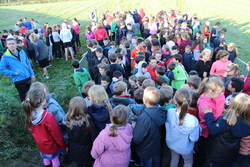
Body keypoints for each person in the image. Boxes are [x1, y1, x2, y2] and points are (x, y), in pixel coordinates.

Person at [202, 93, 250, 166]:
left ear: (234, 104)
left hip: (218, 154)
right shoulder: (247, 122)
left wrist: (209, 115)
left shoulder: (225, 120)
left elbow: (212, 130)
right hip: (232, 155)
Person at [22, 89, 67, 167]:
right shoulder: (48, 116)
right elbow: (57, 134)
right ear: (42, 102)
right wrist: (63, 146)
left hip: (41, 146)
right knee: (55, 159)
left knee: (46, 158)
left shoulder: (29, 116)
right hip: (52, 146)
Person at [194, 76, 225, 167]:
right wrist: (221, 100)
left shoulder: (206, 97)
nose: (221, 94)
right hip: (206, 132)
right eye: (219, 93)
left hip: (206, 131)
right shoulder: (205, 104)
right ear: (211, 91)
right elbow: (218, 118)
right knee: (202, 154)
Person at [165, 89, 201, 167]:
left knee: (174, 159)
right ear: (190, 100)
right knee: (188, 162)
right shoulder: (193, 120)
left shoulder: (169, 112)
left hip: (172, 143)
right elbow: (194, 139)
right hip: (185, 147)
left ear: (175, 101)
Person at [133, 86, 166, 167]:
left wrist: (135, 128)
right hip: (156, 147)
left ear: (145, 100)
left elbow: (137, 138)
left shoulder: (144, 118)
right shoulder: (162, 111)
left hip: (146, 150)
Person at [63, 96, 99, 167]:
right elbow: (94, 138)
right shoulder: (89, 122)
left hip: (74, 149)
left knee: (79, 163)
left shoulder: (67, 121)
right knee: (88, 164)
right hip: (87, 150)